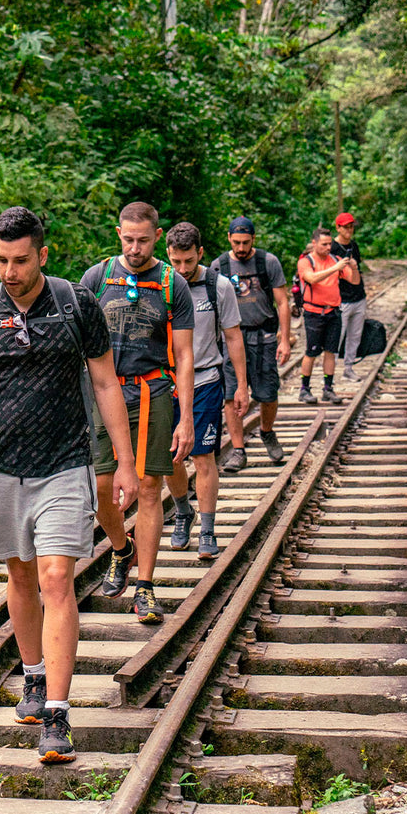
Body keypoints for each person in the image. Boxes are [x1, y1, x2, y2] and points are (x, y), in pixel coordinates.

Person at [0, 207, 140, 765]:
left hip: (65, 464)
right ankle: (30, 675)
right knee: (20, 575)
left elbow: (104, 382)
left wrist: (123, 462)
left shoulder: (77, 304)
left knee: (56, 577)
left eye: (21, 260)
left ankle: (56, 711)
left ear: (42, 255)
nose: (10, 271)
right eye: (1, 260)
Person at [80, 201, 195, 625]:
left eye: (143, 240)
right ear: (118, 234)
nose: (134, 248)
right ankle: (120, 548)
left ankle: (145, 587)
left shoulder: (170, 283)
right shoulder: (97, 278)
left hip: (153, 392)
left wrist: (186, 418)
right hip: (103, 396)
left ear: (157, 236)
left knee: (149, 488)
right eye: (128, 239)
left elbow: (184, 356)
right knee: (100, 487)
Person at [163, 222, 249, 560]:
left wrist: (241, 385)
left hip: (205, 381)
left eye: (188, 261)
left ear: (200, 253)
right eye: (176, 262)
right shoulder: (162, 284)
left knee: (203, 456)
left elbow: (232, 336)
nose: (182, 269)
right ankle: (184, 511)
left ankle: (208, 528)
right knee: (171, 458)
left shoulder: (219, 286)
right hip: (166, 383)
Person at [209, 217, 291, 471]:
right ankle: (238, 449)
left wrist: (285, 339)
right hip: (231, 337)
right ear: (229, 239)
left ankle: (267, 431)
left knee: (268, 393)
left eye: (246, 242)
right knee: (231, 395)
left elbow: (283, 302)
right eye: (236, 243)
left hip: (263, 336)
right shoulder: (219, 266)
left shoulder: (268, 262)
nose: (241, 248)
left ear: (254, 239)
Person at [296, 227, 360, 404]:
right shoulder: (305, 262)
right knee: (311, 351)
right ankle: (304, 388)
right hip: (314, 313)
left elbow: (354, 281)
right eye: (324, 244)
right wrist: (335, 269)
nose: (328, 247)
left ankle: (328, 388)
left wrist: (353, 268)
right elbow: (312, 279)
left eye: (330, 243)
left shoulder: (335, 259)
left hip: (333, 312)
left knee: (331, 351)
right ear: (314, 243)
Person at [331, 212, 367, 381]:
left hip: (358, 296)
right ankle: (330, 371)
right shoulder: (331, 247)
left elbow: (357, 269)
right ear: (338, 227)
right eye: (345, 227)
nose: (349, 230)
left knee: (355, 335)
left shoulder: (354, 246)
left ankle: (348, 367)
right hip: (341, 299)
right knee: (338, 335)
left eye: (351, 226)